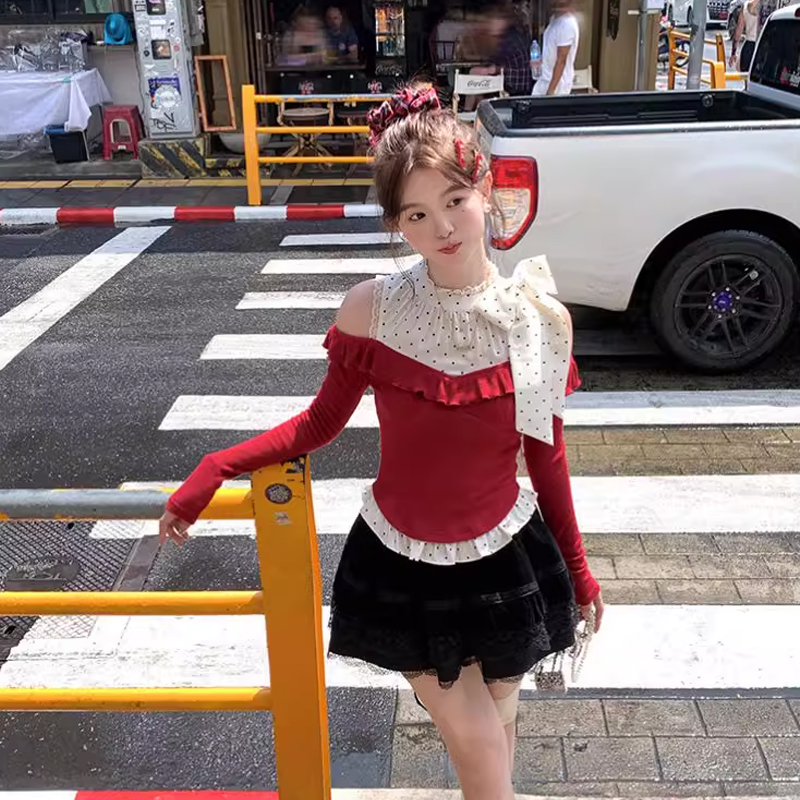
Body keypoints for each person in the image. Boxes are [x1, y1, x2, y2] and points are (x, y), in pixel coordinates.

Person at [159, 83, 604, 800]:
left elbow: (546, 456)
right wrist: (218, 465)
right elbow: (318, 425)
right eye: (417, 214)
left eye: (455, 200)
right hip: (405, 562)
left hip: (505, 558)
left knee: (498, 726)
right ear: (398, 223)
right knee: (480, 742)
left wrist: (579, 572)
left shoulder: (539, 319)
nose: (443, 227)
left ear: (485, 190)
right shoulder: (373, 308)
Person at [531, 0, 580, 96]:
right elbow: (551, 49)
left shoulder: (567, 24)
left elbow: (561, 59)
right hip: (545, 78)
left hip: (557, 84)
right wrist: (540, 62)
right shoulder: (554, 19)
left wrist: (551, 90)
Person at [730, 0, 760, 72]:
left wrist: (733, 53)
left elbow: (738, 32)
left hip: (748, 47)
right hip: (762, 46)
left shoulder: (745, 6)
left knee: (745, 75)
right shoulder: (767, 5)